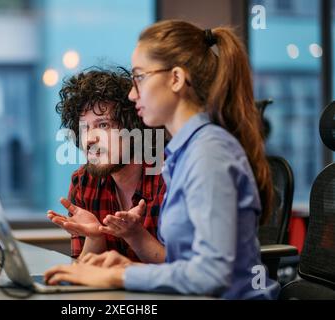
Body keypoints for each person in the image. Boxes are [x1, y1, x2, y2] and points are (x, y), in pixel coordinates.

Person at [44, 20, 280, 300]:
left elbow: (213, 275)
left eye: (140, 77)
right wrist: (129, 267)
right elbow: (185, 266)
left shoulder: (209, 154)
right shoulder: (182, 154)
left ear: (176, 79)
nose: (133, 94)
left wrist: (121, 274)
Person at [47, 68, 166, 263]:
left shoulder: (167, 176)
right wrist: (95, 237)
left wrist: (135, 235)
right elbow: (84, 274)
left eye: (103, 125)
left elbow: (185, 272)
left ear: (132, 130)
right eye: (84, 128)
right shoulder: (83, 182)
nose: (90, 139)